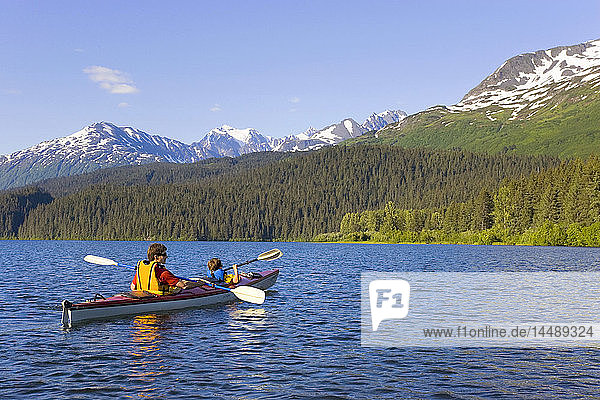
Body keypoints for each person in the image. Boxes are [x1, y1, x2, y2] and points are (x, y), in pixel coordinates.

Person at [131, 243, 201, 295]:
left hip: (144, 295)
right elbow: (184, 286)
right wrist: (200, 284)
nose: (166, 256)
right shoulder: (163, 273)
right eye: (164, 254)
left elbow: (133, 287)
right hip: (157, 298)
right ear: (156, 257)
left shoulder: (141, 270)